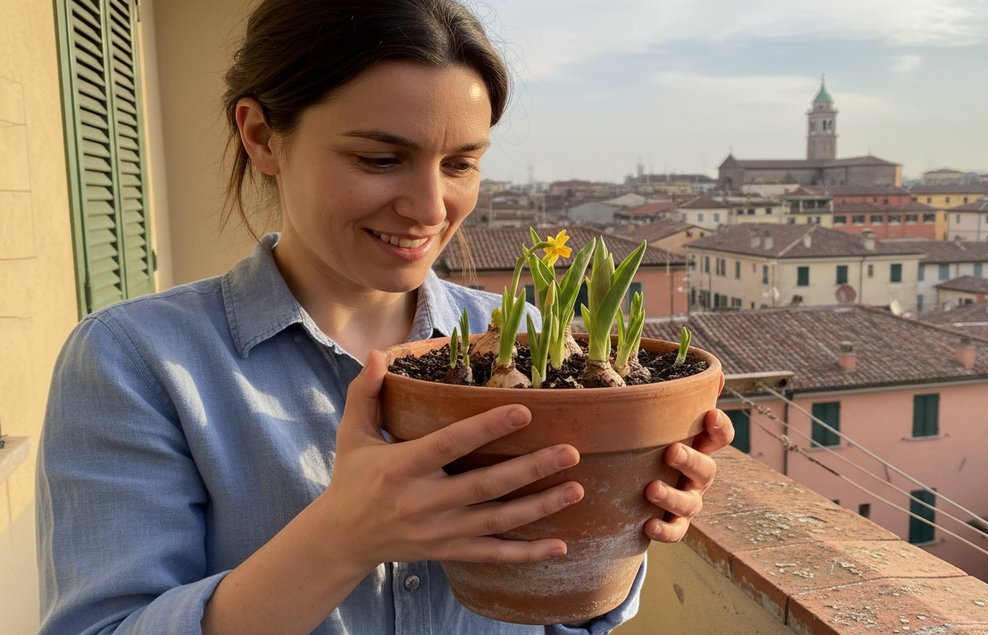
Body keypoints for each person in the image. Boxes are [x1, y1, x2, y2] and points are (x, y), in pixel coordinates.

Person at [36, 0, 734, 633]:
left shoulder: (527, 352)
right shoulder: (136, 361)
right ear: (261, 137)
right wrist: (343, 537)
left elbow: (568, 617)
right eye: (379, 158)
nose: (430, 209)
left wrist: (622, 527)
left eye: (461, 163)